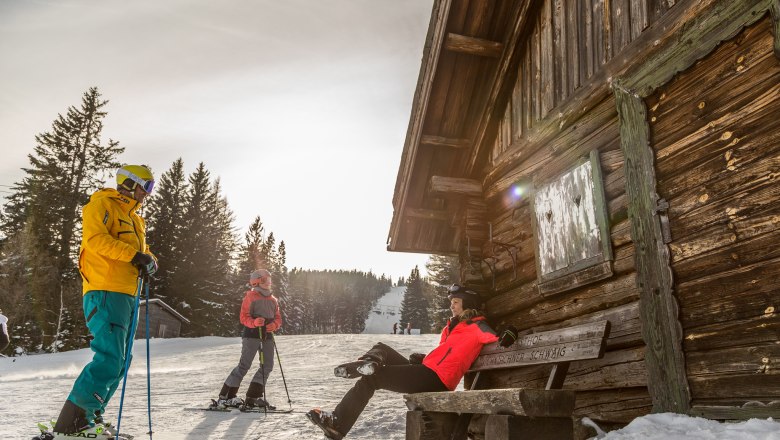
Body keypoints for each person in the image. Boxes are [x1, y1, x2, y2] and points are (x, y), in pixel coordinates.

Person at [36, 165, 158, 440]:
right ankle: (72, 423)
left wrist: (150, 261)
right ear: (130, 183)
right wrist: (134, 255)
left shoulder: (136, 220)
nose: (148, 193)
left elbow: (144, 252)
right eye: (146, 186)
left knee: (122, 361)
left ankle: (91, 416)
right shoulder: (101, 205)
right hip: (105, 290)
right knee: (110, 358)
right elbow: (95, 241)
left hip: (128, 293)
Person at [307, 284, 501, 440]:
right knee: (382, 348)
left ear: (468, 303)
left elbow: (499, 339)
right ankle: (368, 363)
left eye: (456, 302)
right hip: (427, 371)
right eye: (451, 302)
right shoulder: (450, 329)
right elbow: (445, 356)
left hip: (437, 380)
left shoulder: (477, 326)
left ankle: (338, 423)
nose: (452, 305)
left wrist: (510, 331)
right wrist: (424, 359)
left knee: (373, 379)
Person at [210, 269, 282, 410]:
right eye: (264, 280)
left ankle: (253, 397)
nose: (268, 283)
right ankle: (226, 397)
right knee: (244, 365)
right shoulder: (251, 297)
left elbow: (278, 318)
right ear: (256, 282)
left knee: (267, 366)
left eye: (269, 280)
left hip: (267, 335)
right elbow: (244, 317)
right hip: (251, 335)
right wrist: (254, 323)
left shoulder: (273, 300)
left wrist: (274, 325)